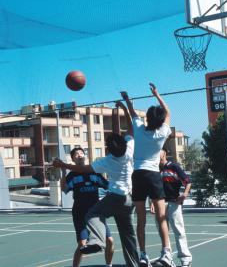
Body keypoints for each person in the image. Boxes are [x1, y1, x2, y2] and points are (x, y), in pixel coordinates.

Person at [53, 101, 139, 267]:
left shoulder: (105, 162)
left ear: (108, 149)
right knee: (128, 235)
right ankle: (134, 264)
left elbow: (84, 169)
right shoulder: (129, 150)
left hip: (115, 198)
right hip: (129, 200)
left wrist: (62, 165)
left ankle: (97, 243)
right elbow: (130, 129)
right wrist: (125, 108)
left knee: (92, 215)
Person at [121, 83, 175, 267]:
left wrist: (127, 100)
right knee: (161, 217)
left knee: (140, 220)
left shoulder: (138, 129)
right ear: (160, 121)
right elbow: (168, 112)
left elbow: (132, 113)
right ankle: (166, 253)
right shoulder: (162, 133)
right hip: (153, 176)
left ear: (148, 118)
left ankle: (143, 255)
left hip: (137, 176)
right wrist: (156, 94)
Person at [60, 147, 114, 267]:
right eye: (76, 154)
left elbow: (108, 185)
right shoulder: (72, 175)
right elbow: (64, 189)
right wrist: (63, 172)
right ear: (73, 159)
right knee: (82, 244)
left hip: (96, 214)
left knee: (110, 240)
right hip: (80, 212)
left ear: (85, 156)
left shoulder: (94, 172)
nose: (79, 155)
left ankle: (108, 265)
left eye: (81, 153)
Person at [151, 148, 192, 267]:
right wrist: (152, 203)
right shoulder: (155, 169)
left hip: (174, 203)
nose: (156, 153)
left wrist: (184, 194)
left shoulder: (174, 167)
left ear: (164, 153)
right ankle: (167, 258)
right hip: (160, 203)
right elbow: (154, 188)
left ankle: (186, 259)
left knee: (178, 231)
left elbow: (187, 181)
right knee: (162, 232)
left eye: (159, 151)